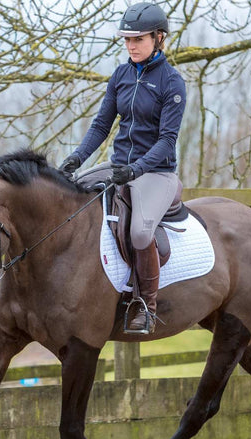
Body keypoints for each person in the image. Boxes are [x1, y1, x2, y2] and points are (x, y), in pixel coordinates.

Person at [60, 2, 186, 334]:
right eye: (127, 40)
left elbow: (166, 141)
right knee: (73, 196)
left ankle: (146, 304)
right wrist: (77, 158)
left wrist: (136, 170)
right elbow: (101, 126)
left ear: (158, 38)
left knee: (141, 232)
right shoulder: (121, 75)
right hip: (118, 165)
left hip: (156, 173)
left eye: (138, 39)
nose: (131, 46)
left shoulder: (172, 82)